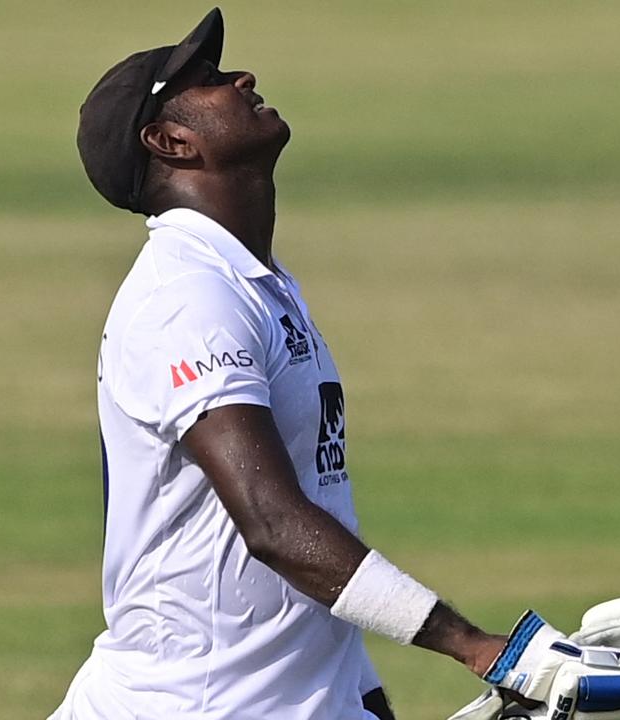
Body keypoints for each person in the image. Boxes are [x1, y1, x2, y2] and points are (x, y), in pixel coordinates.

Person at [53, 8, 544, 720]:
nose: (242, 77)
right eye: (209, 80)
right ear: (169, 140)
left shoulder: (257, 282)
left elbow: (310, 545)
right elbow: (274, 524)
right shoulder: (185, 297)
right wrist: (476, 647)